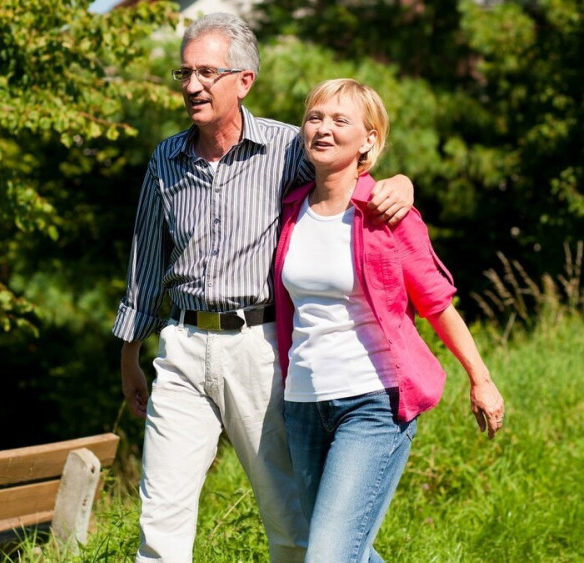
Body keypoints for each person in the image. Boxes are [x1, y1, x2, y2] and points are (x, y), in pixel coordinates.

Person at [112, 14, 416, 563]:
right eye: (184, 73)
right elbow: (146, 262)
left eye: (207, 72)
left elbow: (347, 169)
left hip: (258, 347)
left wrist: (399, 182)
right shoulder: (166, 158)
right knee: (160, 518)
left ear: (244, 79)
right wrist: (131, 354)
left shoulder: (284, 147)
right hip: (180, 345)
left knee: (288, 519)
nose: (192, 86)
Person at [272, 77, 506, 562]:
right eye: (315, 117)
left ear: (369, 139)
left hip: (373, 403)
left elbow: (438, 303)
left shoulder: (388, 213)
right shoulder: (290, 208)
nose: (324, 129)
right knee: (341, 551)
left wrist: (480, 379)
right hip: (304, 404)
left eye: (341, 121)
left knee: (328, 558)